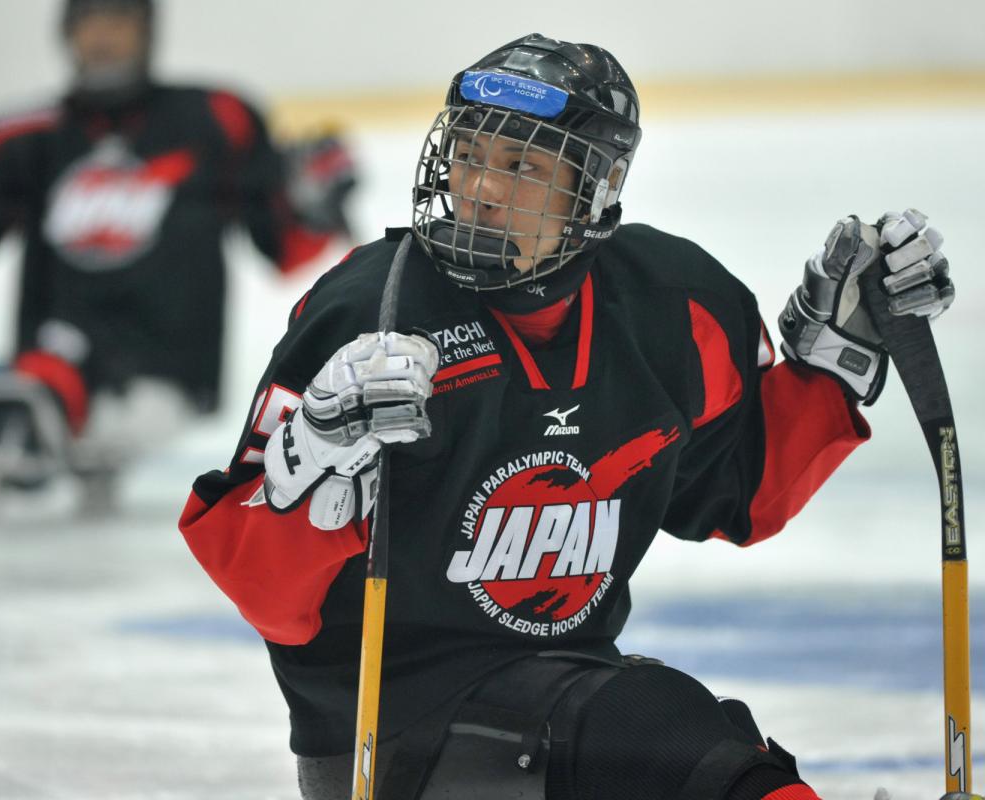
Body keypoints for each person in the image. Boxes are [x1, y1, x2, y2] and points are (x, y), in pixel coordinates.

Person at [179, 34, 954, 800]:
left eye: (521, 166)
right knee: (664, 730)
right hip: (392, 735)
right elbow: (262, 594)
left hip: (565, 697)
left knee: (698, 743)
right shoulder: (369, 312)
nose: (480, 186)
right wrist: (316, 454)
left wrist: (838, 356)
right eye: (470, 154)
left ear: (599, 182)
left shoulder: (674, 305)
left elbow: (742, 491)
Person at [0, 0, 355, 504]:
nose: (104, 37)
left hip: (171, 366)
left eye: (120, 21)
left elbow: (280, 243)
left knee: (20, 411)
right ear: (67, 33)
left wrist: (310, 201)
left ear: (147, 31)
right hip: (56, 357)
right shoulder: (23, 134)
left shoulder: (217, 117)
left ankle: (44, 405)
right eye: (91, 21)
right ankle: (46, 401)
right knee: (22, 400)